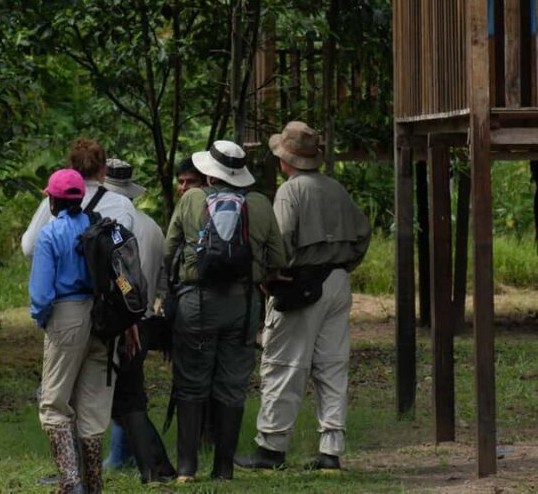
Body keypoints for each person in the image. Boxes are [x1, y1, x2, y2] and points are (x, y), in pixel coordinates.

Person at [235, 121, 371, 472]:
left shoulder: (290, 192)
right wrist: (342, 266)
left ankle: (271, 447)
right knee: (332, 365)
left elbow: (279, 244)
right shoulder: (336, 188)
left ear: (285, 159)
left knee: (284, 365)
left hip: (301, 284)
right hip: (338, 280)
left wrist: (270, 280)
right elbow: (362, 233)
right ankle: (331, 449)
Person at [164, 141, 286, 482]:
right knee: (232, 384)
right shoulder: (260, 204)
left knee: (191, 382)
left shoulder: (191, 199)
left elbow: (168, 247)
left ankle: (187, 468)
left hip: (197, 302)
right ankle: (223, 469)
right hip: (243, 303)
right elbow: (278, 258)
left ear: (209, 173)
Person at [30, 168, 112, 494]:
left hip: (67, 315)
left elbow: (41, 296)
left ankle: (70, 484)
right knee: (91, 408)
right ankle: (94, 484)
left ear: (53, 200)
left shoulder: (50, 234)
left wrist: (43, 320)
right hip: (102, 317)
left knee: (54, 406)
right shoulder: (97, 225)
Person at [100, 159, 176, 484]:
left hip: (119, 320)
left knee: (125, 402)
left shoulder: (109, 224)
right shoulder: (153, 227)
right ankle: (134, 460)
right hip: (144, 319)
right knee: (130, 396)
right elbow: (161, 281)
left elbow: (119, 279)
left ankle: (157, 465)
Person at [21, 138, 136, 257]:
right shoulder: (123, 204)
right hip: (108, 275)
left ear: (71, 168)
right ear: (103, 171)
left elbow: (29, 248)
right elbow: (129, 250)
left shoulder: (54, 202)